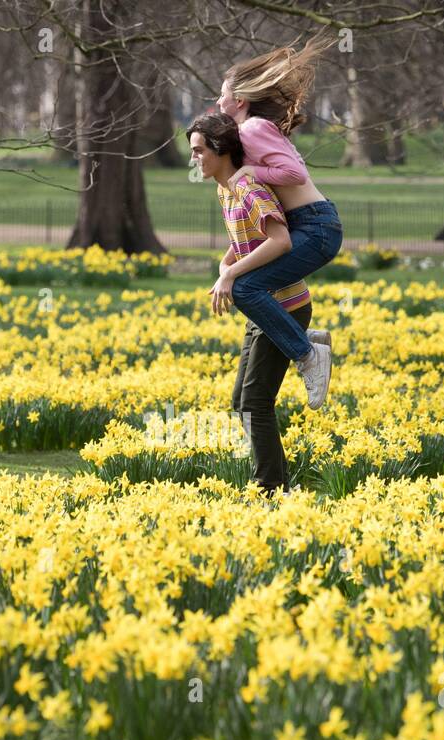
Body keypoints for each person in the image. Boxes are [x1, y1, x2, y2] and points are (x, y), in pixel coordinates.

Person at [188, 112, 329, 497]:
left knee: (254, 402)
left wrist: (231, 277)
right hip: (262, 308)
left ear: (221, 149)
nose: (195, 159)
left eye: (200, 151)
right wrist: (226, 265)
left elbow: (280, 240)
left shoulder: (248, 186)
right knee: (242, 401)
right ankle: (272, 482)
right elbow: (245, 242)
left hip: (283, 305)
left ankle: (270, 489)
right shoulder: (224, 189)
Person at [206, 37, 344, 389]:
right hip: (309, 224)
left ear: (239, 101)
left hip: (316, 228)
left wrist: (251, 173)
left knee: (246, 287)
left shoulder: (252, 128)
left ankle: (307, 355)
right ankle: (303, 339)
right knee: (247, 285)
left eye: (222, 95)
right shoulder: (249, 131)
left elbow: (295, 174)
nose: (217, 101)